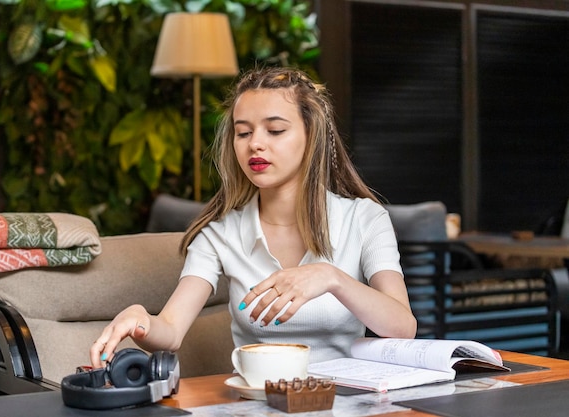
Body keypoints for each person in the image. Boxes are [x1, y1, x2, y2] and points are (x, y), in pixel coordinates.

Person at [90, 67, 416, 368]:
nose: (255, 144)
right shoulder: (219, 234)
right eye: (243, 133)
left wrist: (332, 278)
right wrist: (141, 320)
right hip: (258, 400)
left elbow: (403, 327)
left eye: (275, 130)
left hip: (345, 400)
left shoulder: (364, 218)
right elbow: (172, 331)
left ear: (311, 135)